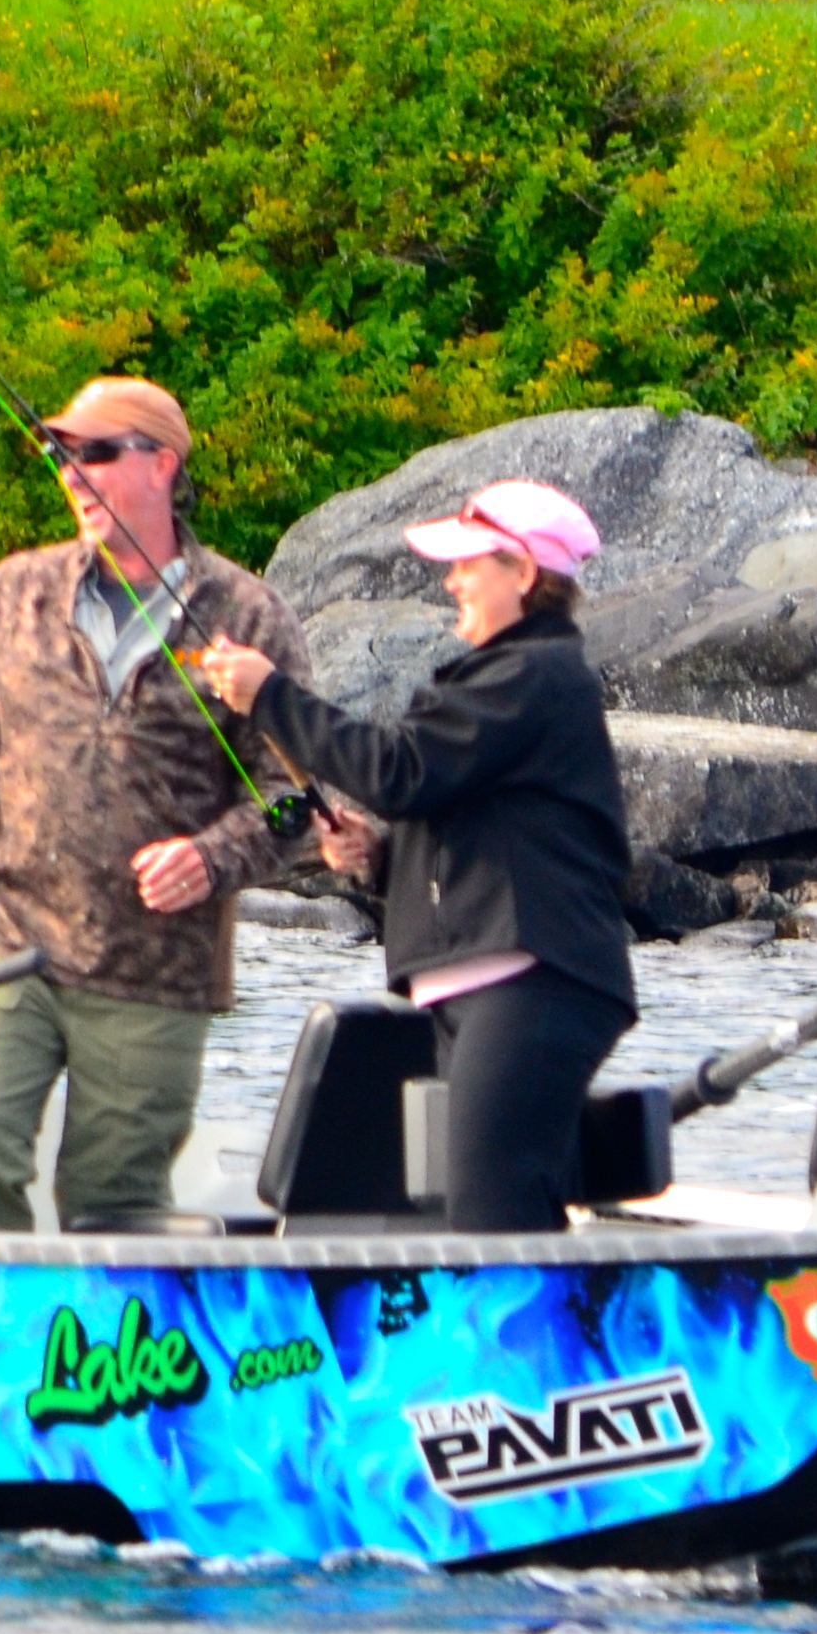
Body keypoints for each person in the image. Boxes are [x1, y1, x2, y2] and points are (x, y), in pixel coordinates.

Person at [0, 378, 312, 1231]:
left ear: (162, 464)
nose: (71, 473)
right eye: (60, 454)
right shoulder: (13, 592)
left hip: (155, 973)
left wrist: (211, 857)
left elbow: (296, 803)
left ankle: (102, 1360)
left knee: (111, 1203)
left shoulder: (248, 615)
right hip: (12, 946)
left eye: (93, 452)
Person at [193, 480, 638, 1234]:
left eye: (467, 563)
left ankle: (518, 1347)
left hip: (535, 984)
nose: (450, 579)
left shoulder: (530, 675)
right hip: (489, 983)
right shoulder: (510, 681)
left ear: (522, 574)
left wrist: (271, 697)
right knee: (487, 1197)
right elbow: (492, 831)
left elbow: (399, 772)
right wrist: (384, 856)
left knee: (490, 1203)